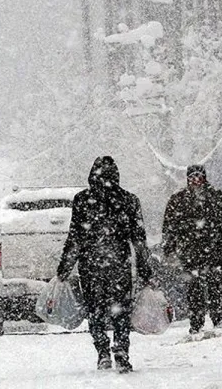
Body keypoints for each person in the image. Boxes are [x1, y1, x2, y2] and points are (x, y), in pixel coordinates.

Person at [57, 156, 154, 374]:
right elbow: (139, 239)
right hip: (118, 265)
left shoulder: (82, 200)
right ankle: (121, 351)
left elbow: (75, 237)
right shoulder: (129, 200)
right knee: (120, 311)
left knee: (96, 311)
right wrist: (145, 269)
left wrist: (65, 267)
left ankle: (102, 352)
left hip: (91, 266)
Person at [162, 164, 222, 335]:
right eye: (192, 177)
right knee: (194, 287)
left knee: (216, 284)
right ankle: (196, 321)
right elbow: (169, 226)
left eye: (199, 176)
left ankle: (218, 317)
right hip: (190, 250)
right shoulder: (178, 199)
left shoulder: (217, 197)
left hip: (213, 248)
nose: (196, 180)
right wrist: (169, 248)